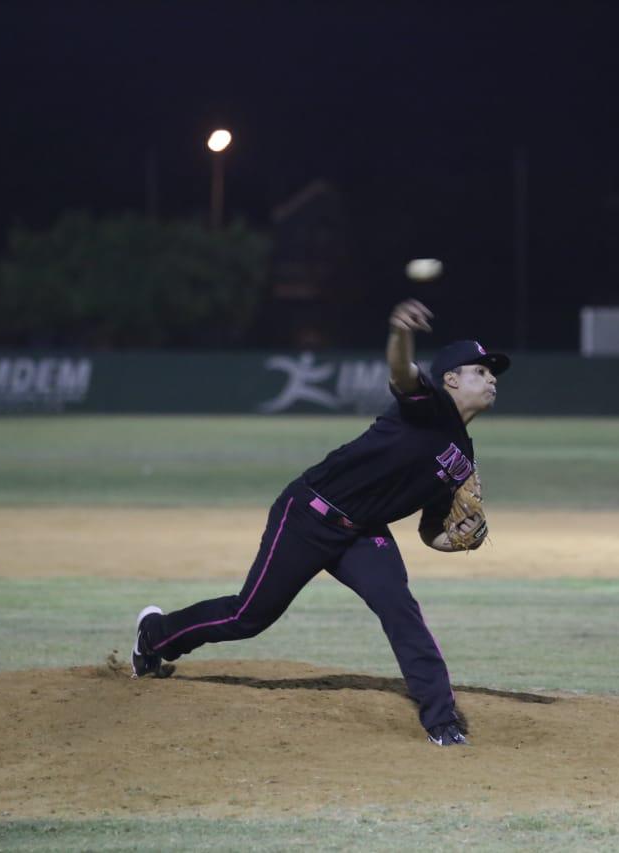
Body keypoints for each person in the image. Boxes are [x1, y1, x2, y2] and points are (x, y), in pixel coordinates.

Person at [131, 298, 509, 747]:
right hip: (310, 513)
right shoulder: (428, 407)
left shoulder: (463, 458)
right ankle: (155, 636)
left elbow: (431, 531)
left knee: (398, 606)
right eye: (480, 371)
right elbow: (402, 372)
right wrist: (400, 332)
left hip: (363, 533)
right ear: (450, 379)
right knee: (249, 616)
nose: (491, 379)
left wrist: (454, 541)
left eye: (493, 373)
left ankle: (441, 719)